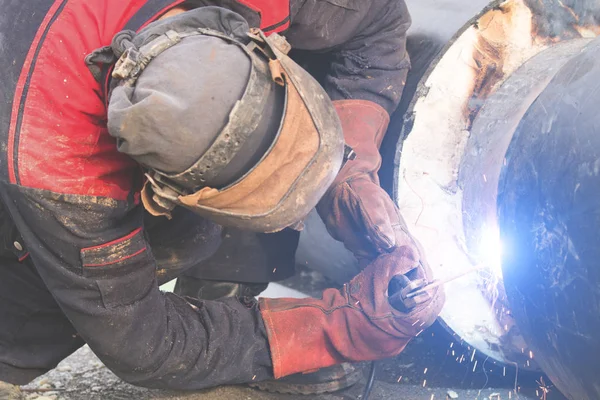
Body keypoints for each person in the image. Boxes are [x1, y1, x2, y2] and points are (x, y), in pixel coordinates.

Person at [0, 1, 444, 398]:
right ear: (162, 191)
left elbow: (379, 17)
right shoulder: (59, 167)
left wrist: (350, 169)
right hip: (28, 122)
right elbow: (140, 339)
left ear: (259, 47)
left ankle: (225, 302)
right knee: (19, 335)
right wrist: (330, 329)